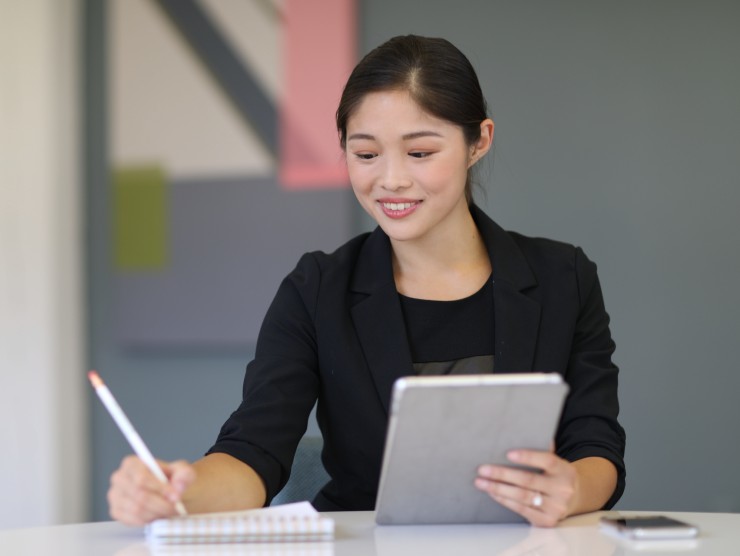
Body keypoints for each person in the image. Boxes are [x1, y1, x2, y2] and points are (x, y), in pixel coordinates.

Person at [108, 35, 625, 528]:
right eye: (366, 153)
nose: (391, 179)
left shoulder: (563, 279)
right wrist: (177, 491)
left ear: (478, 142)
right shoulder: (317, 289)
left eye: (420, 153)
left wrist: (572, 489)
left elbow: (595, 445)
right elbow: (253, 452)